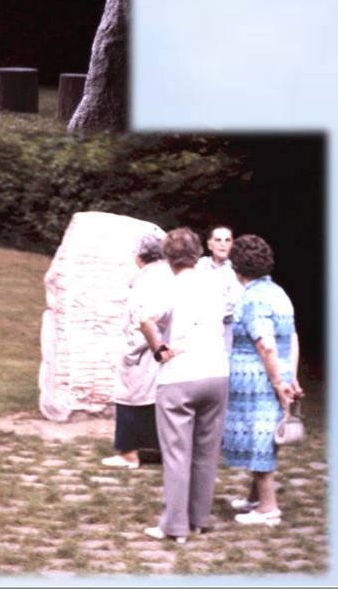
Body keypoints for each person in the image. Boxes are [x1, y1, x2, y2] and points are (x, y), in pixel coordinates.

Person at [140, 228, 229, 544]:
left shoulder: (170, 286)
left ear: (168, 257)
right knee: (206, 451)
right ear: (197, 253)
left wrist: (158, 348)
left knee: (177, 454)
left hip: (180, 376)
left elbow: (145, 319)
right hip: (217, 373)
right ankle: (200, 518)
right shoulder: (216, 284)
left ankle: (175, 526)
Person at [222, 234, 302, 525]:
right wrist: (290, 376)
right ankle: (254, 497)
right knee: (267, 436)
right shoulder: (278, 292)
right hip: (277, 373)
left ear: (236, 265)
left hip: (258, 379)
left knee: (259, 438)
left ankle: (268, 508)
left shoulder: (252, 298)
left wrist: (278, 382)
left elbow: (266, 344)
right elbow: (291, 337)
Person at [102, 234, 172, 469]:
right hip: (164, 349)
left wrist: (129, 354)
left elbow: (140, 322)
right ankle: (163, 450)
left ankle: (129, 454)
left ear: (139, 256)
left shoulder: (146, 282)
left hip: (145, 351)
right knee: (158, 401)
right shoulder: (168, 276)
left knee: (130, 400)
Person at [197, 225, 244, 353]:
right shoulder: (200, 266)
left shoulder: (238, 270)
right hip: (200, 327)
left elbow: (236, 302)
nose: (223, 244)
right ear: (209, 245)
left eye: (227, 240)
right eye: (218, 240)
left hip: (228, 329)